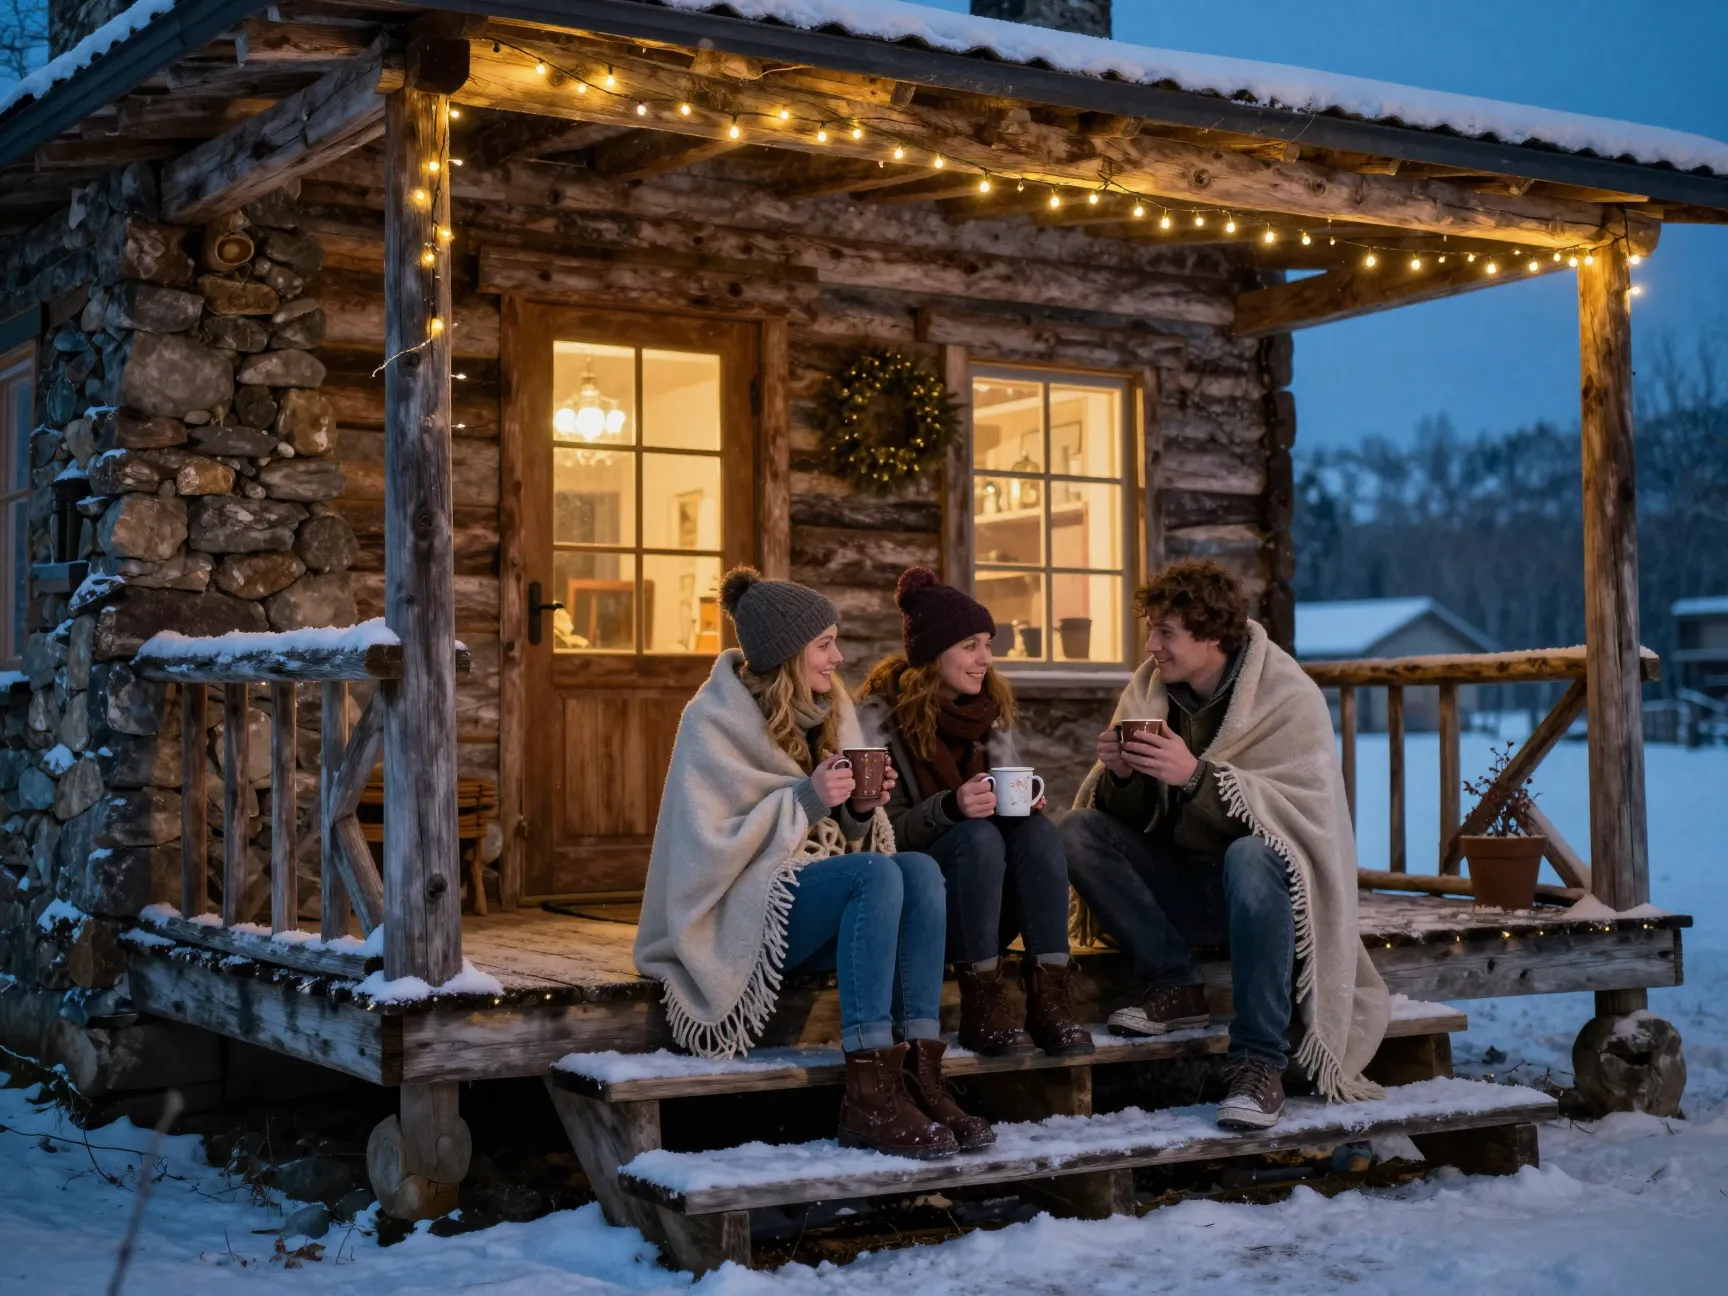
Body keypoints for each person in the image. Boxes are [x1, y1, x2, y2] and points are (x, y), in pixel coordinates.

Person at [633, 567, 993, 1158]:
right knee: (876, 874)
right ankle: (869, 1096)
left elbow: (842, 842)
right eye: (824, 644)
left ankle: (920, 1079)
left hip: (808, 898)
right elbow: (708, 850)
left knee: (918, 871)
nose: (838, 657)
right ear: (787, 652)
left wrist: (856, 809)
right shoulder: (712, 724)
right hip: (739, 912)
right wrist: (805, 797)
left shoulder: (829, 711)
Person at [1060, 559, 1389, 1131]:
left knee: (1251, 853)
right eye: (1151, 629)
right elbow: (1132, 825)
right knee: (1076, 829)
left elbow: (1296, 827)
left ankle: (1260, 1063)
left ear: (1211, 634)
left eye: (1167, 632)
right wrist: (1122, 777)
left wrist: (1194, 776)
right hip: (1179, 895)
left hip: (1264, 901)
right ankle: (1175, 981)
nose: (1151, 646)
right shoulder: (1148, 691)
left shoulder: (1286, 696)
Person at [857, 568, 1091, 1059]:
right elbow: (881, 840)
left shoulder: (989, 710)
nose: (985, 658)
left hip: (993, 903)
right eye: (970, 645)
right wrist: (952, 807)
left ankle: (1051, 1003)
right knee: (976, 837)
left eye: (987, 643)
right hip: (926, 910)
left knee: (1037, 832)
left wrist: (1020, 808)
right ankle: (982, 1005)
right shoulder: (879, 722)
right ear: (931, 653)